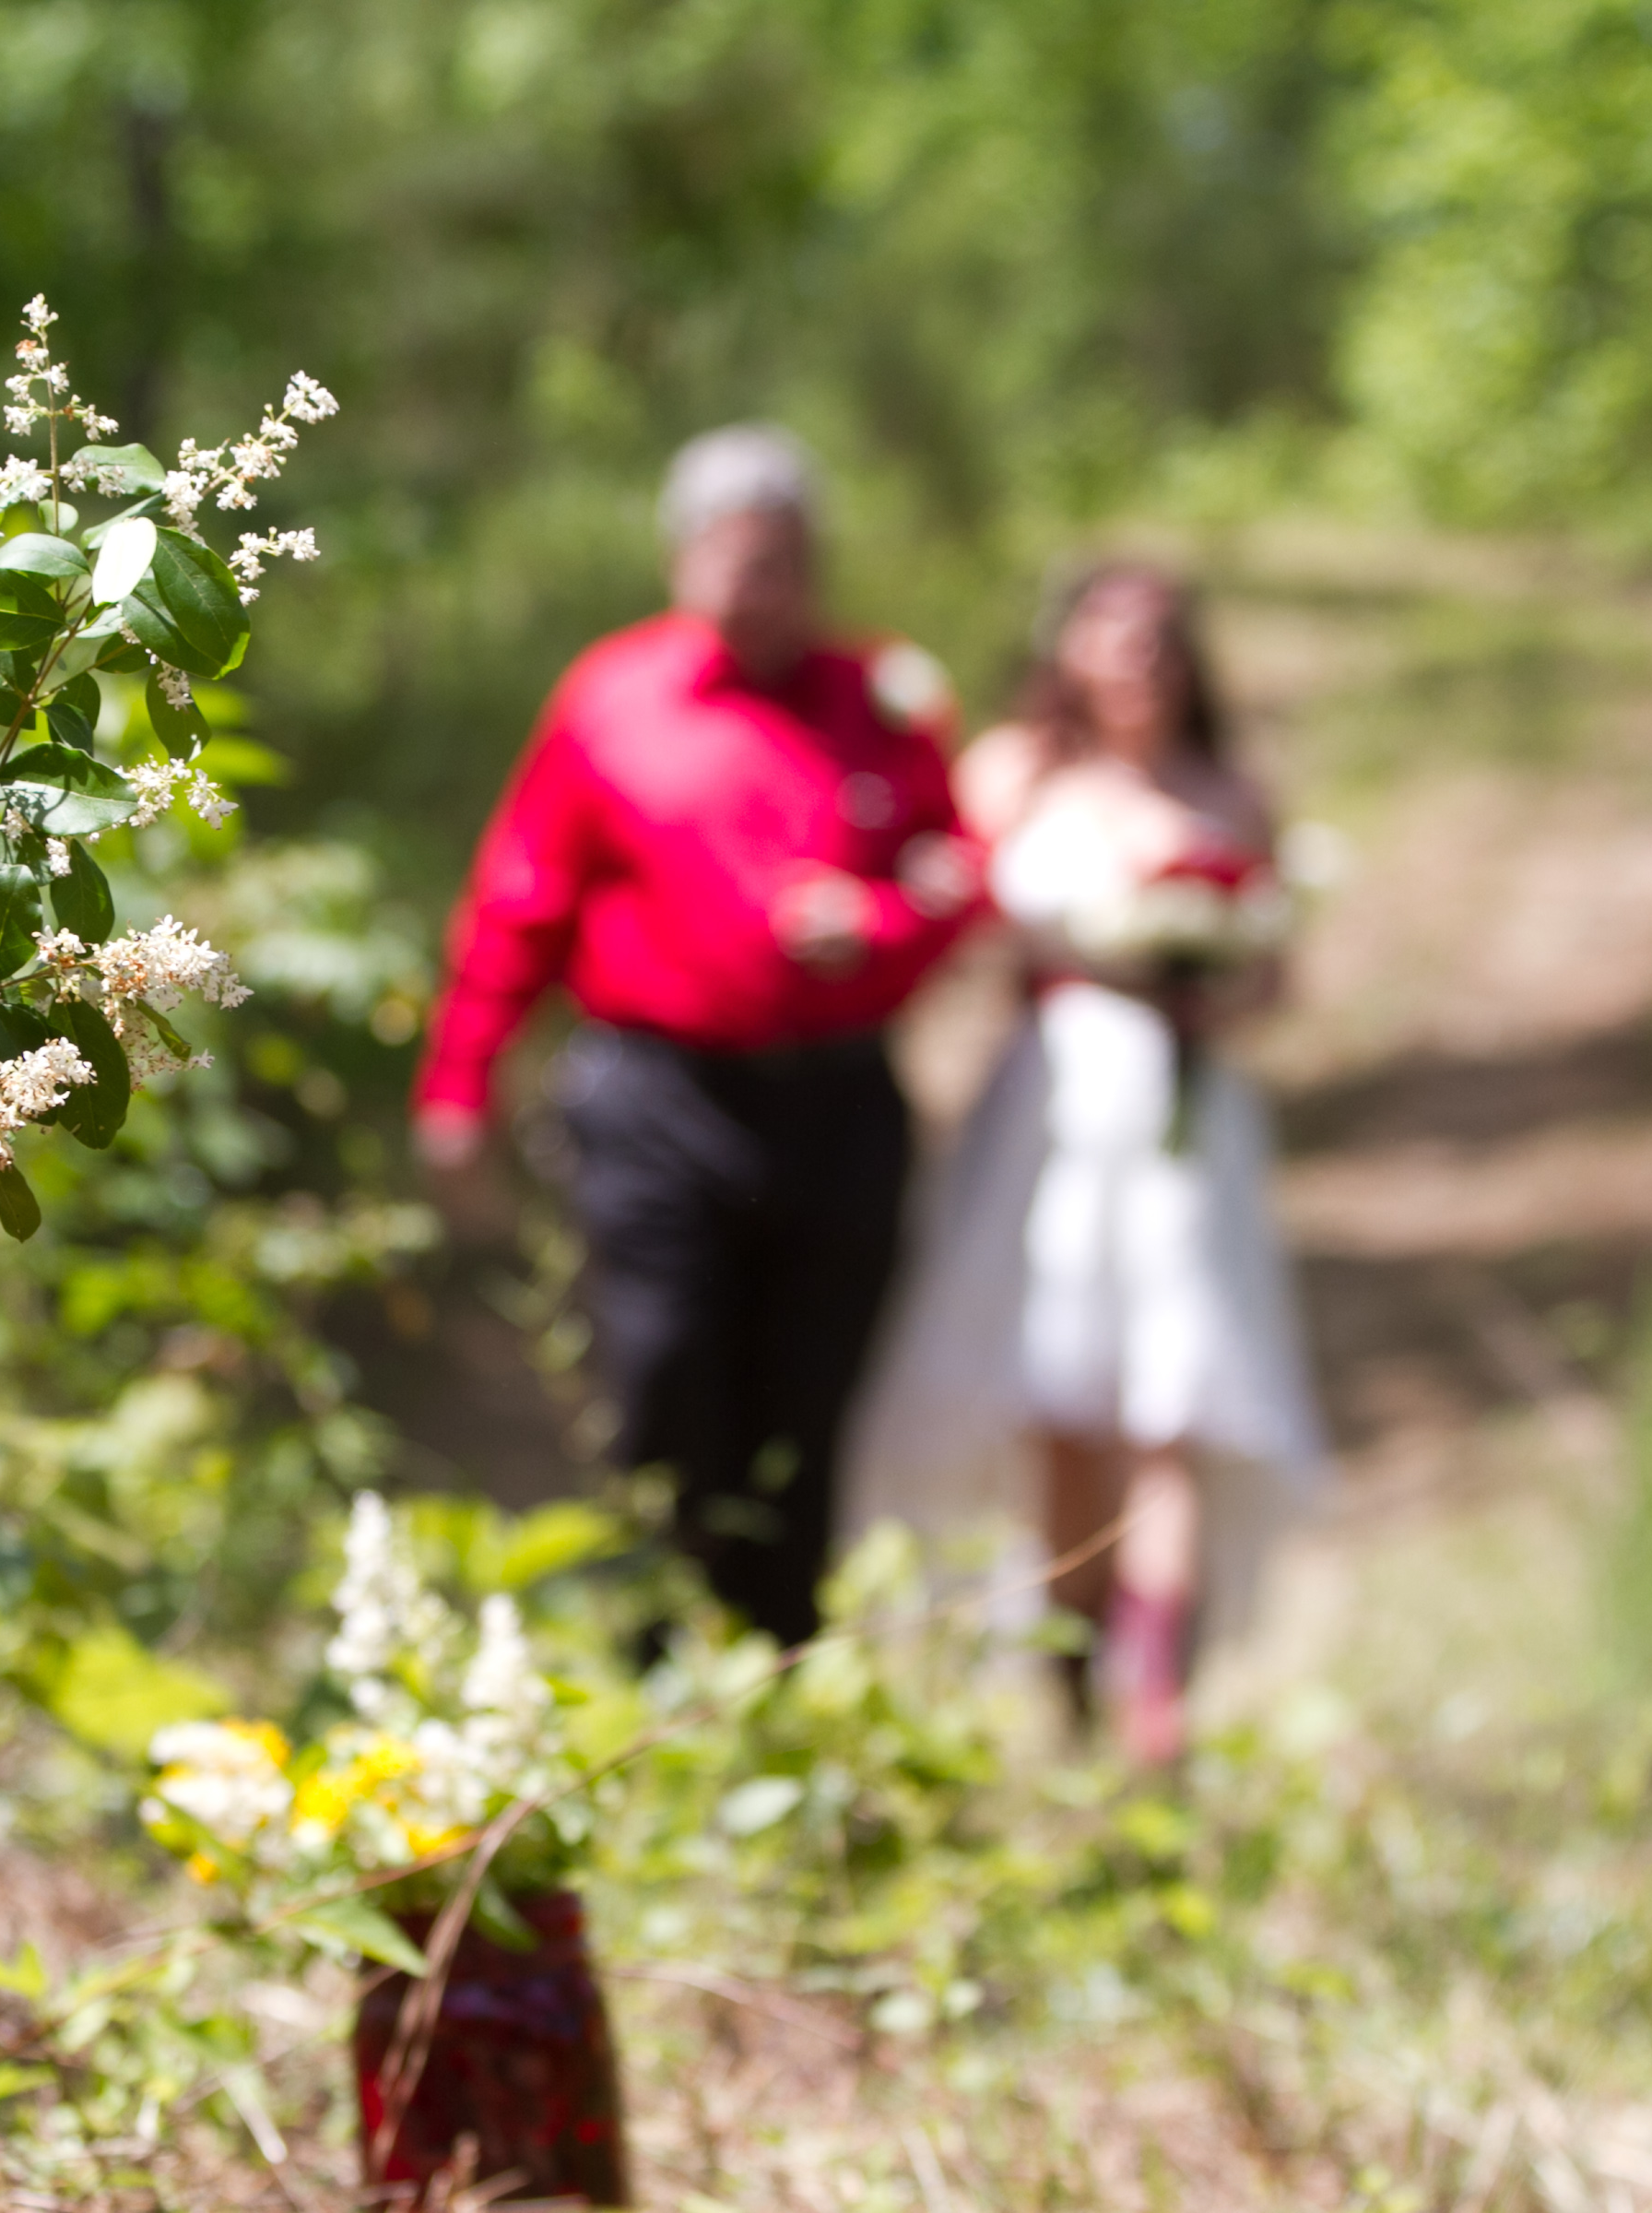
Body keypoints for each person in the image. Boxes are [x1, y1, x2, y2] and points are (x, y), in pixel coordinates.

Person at [411, 424, 982, 1647]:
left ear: (812, 563)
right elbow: (520, 902)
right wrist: (460, 1085)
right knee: (665, 1379)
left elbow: (956, 876)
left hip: (839, 1110)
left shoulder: (882, 700)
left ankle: (778, 1676)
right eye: (729, 556)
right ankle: (655, 1658)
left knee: (806, 1407)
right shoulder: (610, 698)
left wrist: (880, 924)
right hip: (654, 1104)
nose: (752, 585)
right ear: (681, 558)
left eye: (777, 560)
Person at [841, 562, 1327, 1763]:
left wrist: (1206, 984)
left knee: (1175, 1388)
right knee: (1059, 1392)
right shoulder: (1014, 771)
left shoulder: (1231, 791)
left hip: (1183, 1112)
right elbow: (948, 909)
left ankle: (1154, 1690)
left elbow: (1276, 973)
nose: (1134, 660)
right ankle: (1069, 1675)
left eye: (1157, 638)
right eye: (1111, 634)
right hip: (1052, 1104)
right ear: (1068, 650)